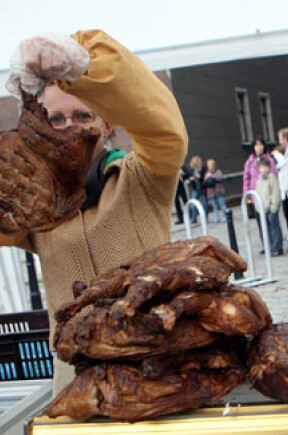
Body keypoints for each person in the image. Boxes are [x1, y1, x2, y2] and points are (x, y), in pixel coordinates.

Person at [0, 30, 188, 394]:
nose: (71, 127)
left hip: (163, 372)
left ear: (107, 124)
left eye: (83, 114)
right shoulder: (37, 205)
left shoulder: (143, 176)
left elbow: (164, 128)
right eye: (56, 119)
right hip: (80, 384)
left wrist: (87, 68)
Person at [255, 157, 284, 256]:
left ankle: (277, 247)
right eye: (261, 167)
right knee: (266, 228)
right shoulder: (259, 180)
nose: (263, 169)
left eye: (265, 167)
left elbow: (275, 193)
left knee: (274, 228)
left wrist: (274, 207)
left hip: (271, 208)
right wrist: (257, 206)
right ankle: (269, 246)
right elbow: (258, 193)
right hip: (262, 209)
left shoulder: (272, 178)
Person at [243, 137, 278, 219]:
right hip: (256, 198)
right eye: (256, 145)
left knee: (272, 223)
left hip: (268, 198)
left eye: (261, 144)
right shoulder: (249, 162)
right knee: (261, 223)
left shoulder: (269, 160)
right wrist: (248, 197)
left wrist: (274, 200)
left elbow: (274, 177)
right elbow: (246, 180)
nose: (259, 147)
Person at [203, 159, 228, 223]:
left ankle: (225, 216)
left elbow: (220, 178)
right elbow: (204, 182)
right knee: (214, 206)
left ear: (214, 165)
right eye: (208, 165)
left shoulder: (218, 171)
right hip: (211, 192)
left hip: (218, 191)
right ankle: (216, 218)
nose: (210, 167)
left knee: (222, 204)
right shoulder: (207, 173)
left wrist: (212, 176)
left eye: (211, 165)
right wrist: (206, 178)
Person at [187, 155, 207, 223]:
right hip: (195, 188)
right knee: (193, 203)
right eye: (194, 162)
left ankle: (205, 218)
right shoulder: (192, 170)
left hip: (202, 187)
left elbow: (205, 177)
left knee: (204, 203)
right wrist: (191, 178)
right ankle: (194, 218)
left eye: (196, 162)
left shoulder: (203, 168)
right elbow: (189, 177)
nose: (195, 163)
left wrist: (200, 177)